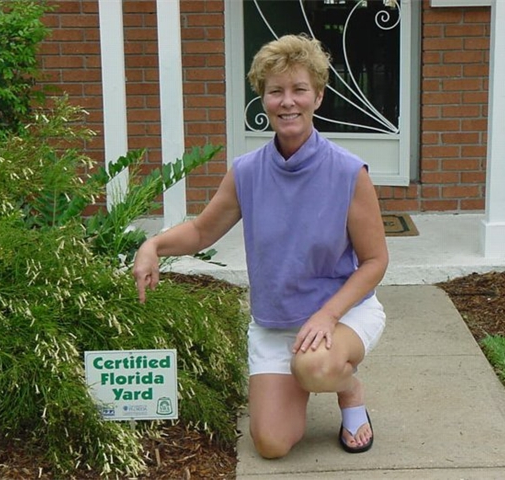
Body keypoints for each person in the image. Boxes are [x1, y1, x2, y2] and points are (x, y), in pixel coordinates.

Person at [133, 34, 389, 458]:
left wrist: (327, 316)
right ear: (263, 99)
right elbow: (200, 231)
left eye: (299, 90)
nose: (288, 102)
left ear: (318, 97)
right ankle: (314, 375)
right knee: (270, 444)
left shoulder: (348, 172)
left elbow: (376, 261)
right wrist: (152, 246)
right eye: (276, 92)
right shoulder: (247, 172)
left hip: (340, 315)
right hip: (276, 323)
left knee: (315, 366)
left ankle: (348, 387)